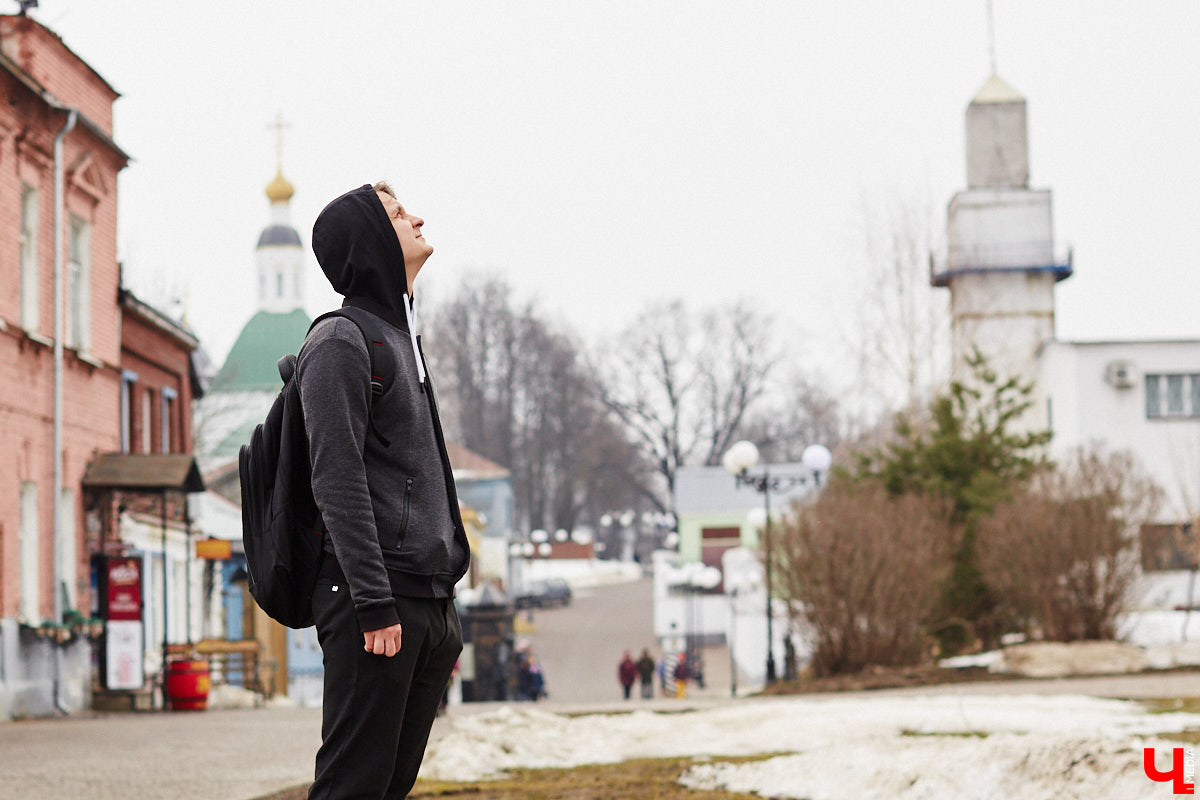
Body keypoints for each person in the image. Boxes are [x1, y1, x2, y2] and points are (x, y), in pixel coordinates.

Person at [299, 182, 469, 799]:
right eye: (399, 215)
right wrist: (373, 600)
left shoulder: (402, 338)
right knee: (353, 788)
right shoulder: (342, 341)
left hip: (424, 601)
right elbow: (336, 478)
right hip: (376, 603)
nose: (418, 217)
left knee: (388, 789)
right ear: (370, 238)